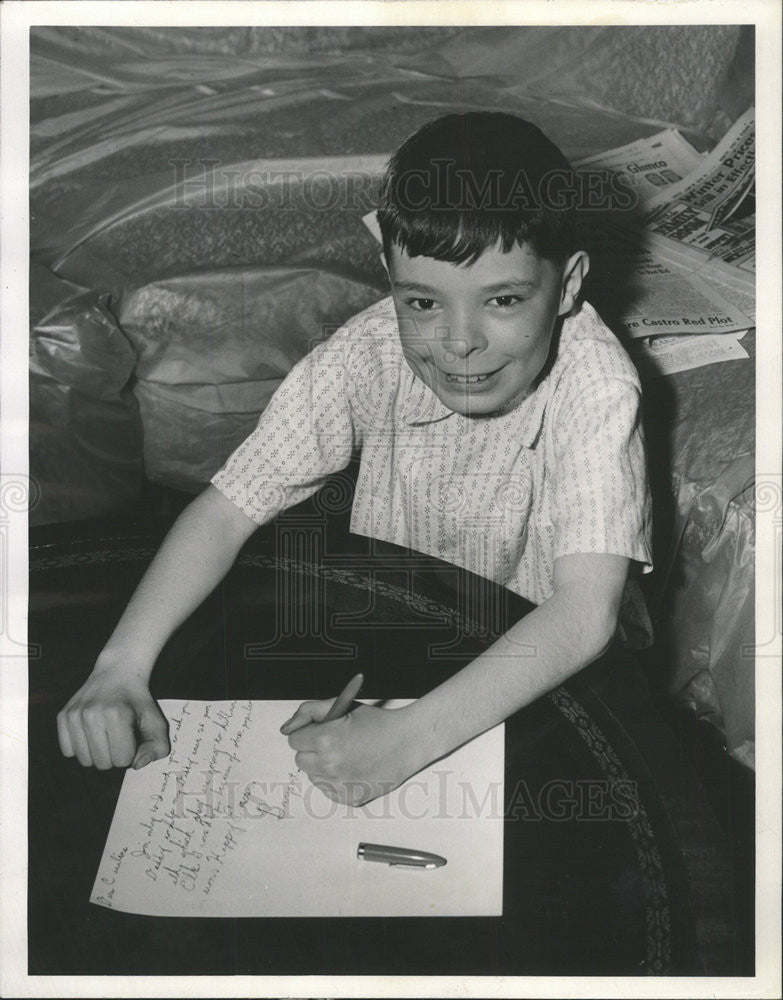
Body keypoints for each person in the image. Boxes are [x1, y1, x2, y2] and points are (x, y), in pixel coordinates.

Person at [57, 112, 652, 805]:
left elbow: (583, 614)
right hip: (410, 623)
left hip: (547, 669)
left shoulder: (597, 385)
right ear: (387, 275)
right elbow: (226, 508)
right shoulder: (366, 349)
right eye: (423, 302)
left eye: (504, 300)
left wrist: (406, 739)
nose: (458, 342)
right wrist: (119, 665)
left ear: (570, 282)